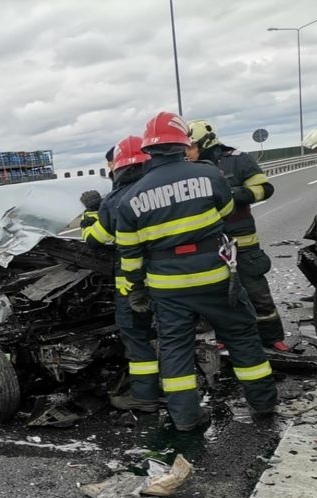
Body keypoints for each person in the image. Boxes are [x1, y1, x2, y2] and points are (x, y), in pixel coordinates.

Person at [115, 111, 277, 431]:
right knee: (242, 336)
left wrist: (134, 288)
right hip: (215, 276)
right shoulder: (209, 173)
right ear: (182, 144)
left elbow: (129, 254)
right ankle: (263, 403)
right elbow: (227, 211)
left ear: (149, 149)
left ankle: (186, 419)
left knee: (175, 349)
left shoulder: (131, 198)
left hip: (167, 285)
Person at [186, 119, 288, 351]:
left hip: (243, 243)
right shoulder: (189, 169)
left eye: (190, 146)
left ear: (205, 142)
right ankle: (226, 338)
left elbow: (264, 189)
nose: (186, 152)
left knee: (257, 293)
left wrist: (230, 194)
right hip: (209, 245)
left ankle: (272, 337)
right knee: (221, 297)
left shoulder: (237, 160)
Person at [81, 136, 160, 411]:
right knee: (170, 332)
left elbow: (95, 239)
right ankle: (180, 389)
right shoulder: (161, 188)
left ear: (117, 166)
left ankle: (145, 395)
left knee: (137, 336)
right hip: (173, 276)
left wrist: (90, 212)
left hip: (132, 283)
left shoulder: (115, 200)